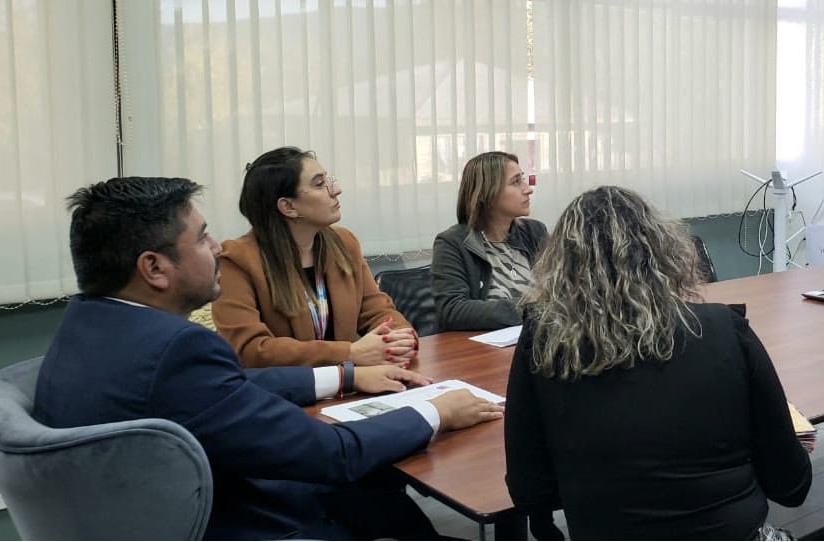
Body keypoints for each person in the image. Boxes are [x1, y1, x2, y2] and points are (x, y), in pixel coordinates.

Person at [34, 177, 504, 540]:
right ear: (154, 267)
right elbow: (332, 454)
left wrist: (343, 374)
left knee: (384, 502)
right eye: (201, 238)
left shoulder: (90, 323)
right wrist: (434, 411)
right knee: (366, 487)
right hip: (242, 521)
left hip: (156, 509)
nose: (217, 247)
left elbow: (223, 391)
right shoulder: (177, 348)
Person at [505, 186, 812, 539]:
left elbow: (531, 493)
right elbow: (792, 487)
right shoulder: (725, 329)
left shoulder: (543, 342)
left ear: (559, 264)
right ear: (663, 250)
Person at [214, 147, 417, 368]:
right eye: (319, 184)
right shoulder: (236, 260)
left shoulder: (344, 243)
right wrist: (348, 352)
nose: (336, 190)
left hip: (354, 384)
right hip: (286, 393)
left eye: (329, 180)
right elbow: (251, 350)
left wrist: (398, 339)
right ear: (288, 206)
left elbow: (377, 310)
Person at [431, 151, 548, 331]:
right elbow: (452, 310)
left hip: (533, 340)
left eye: (523, 179)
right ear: (487, 193)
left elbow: (563, 292)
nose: (528, 188)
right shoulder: (452, 243)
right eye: (516, 182)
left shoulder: (535, 232)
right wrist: (531, 307)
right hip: (483, 349)